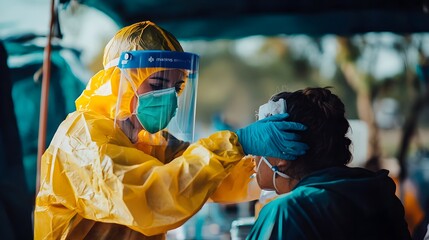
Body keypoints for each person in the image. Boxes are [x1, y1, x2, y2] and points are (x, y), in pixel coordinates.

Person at [34, 21, 308, 240]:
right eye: (157, 84)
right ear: (121, 83)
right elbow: (153, 200)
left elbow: (210, 180)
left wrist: (268, 167)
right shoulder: (82, 139)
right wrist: (236, 142)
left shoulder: (151, 142)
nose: (171, 99)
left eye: (177, 88)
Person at [246, 87, 412, 240]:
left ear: (282, 156)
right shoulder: (378, 194)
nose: (253, 154)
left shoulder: (286, 213)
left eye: (259, 143)